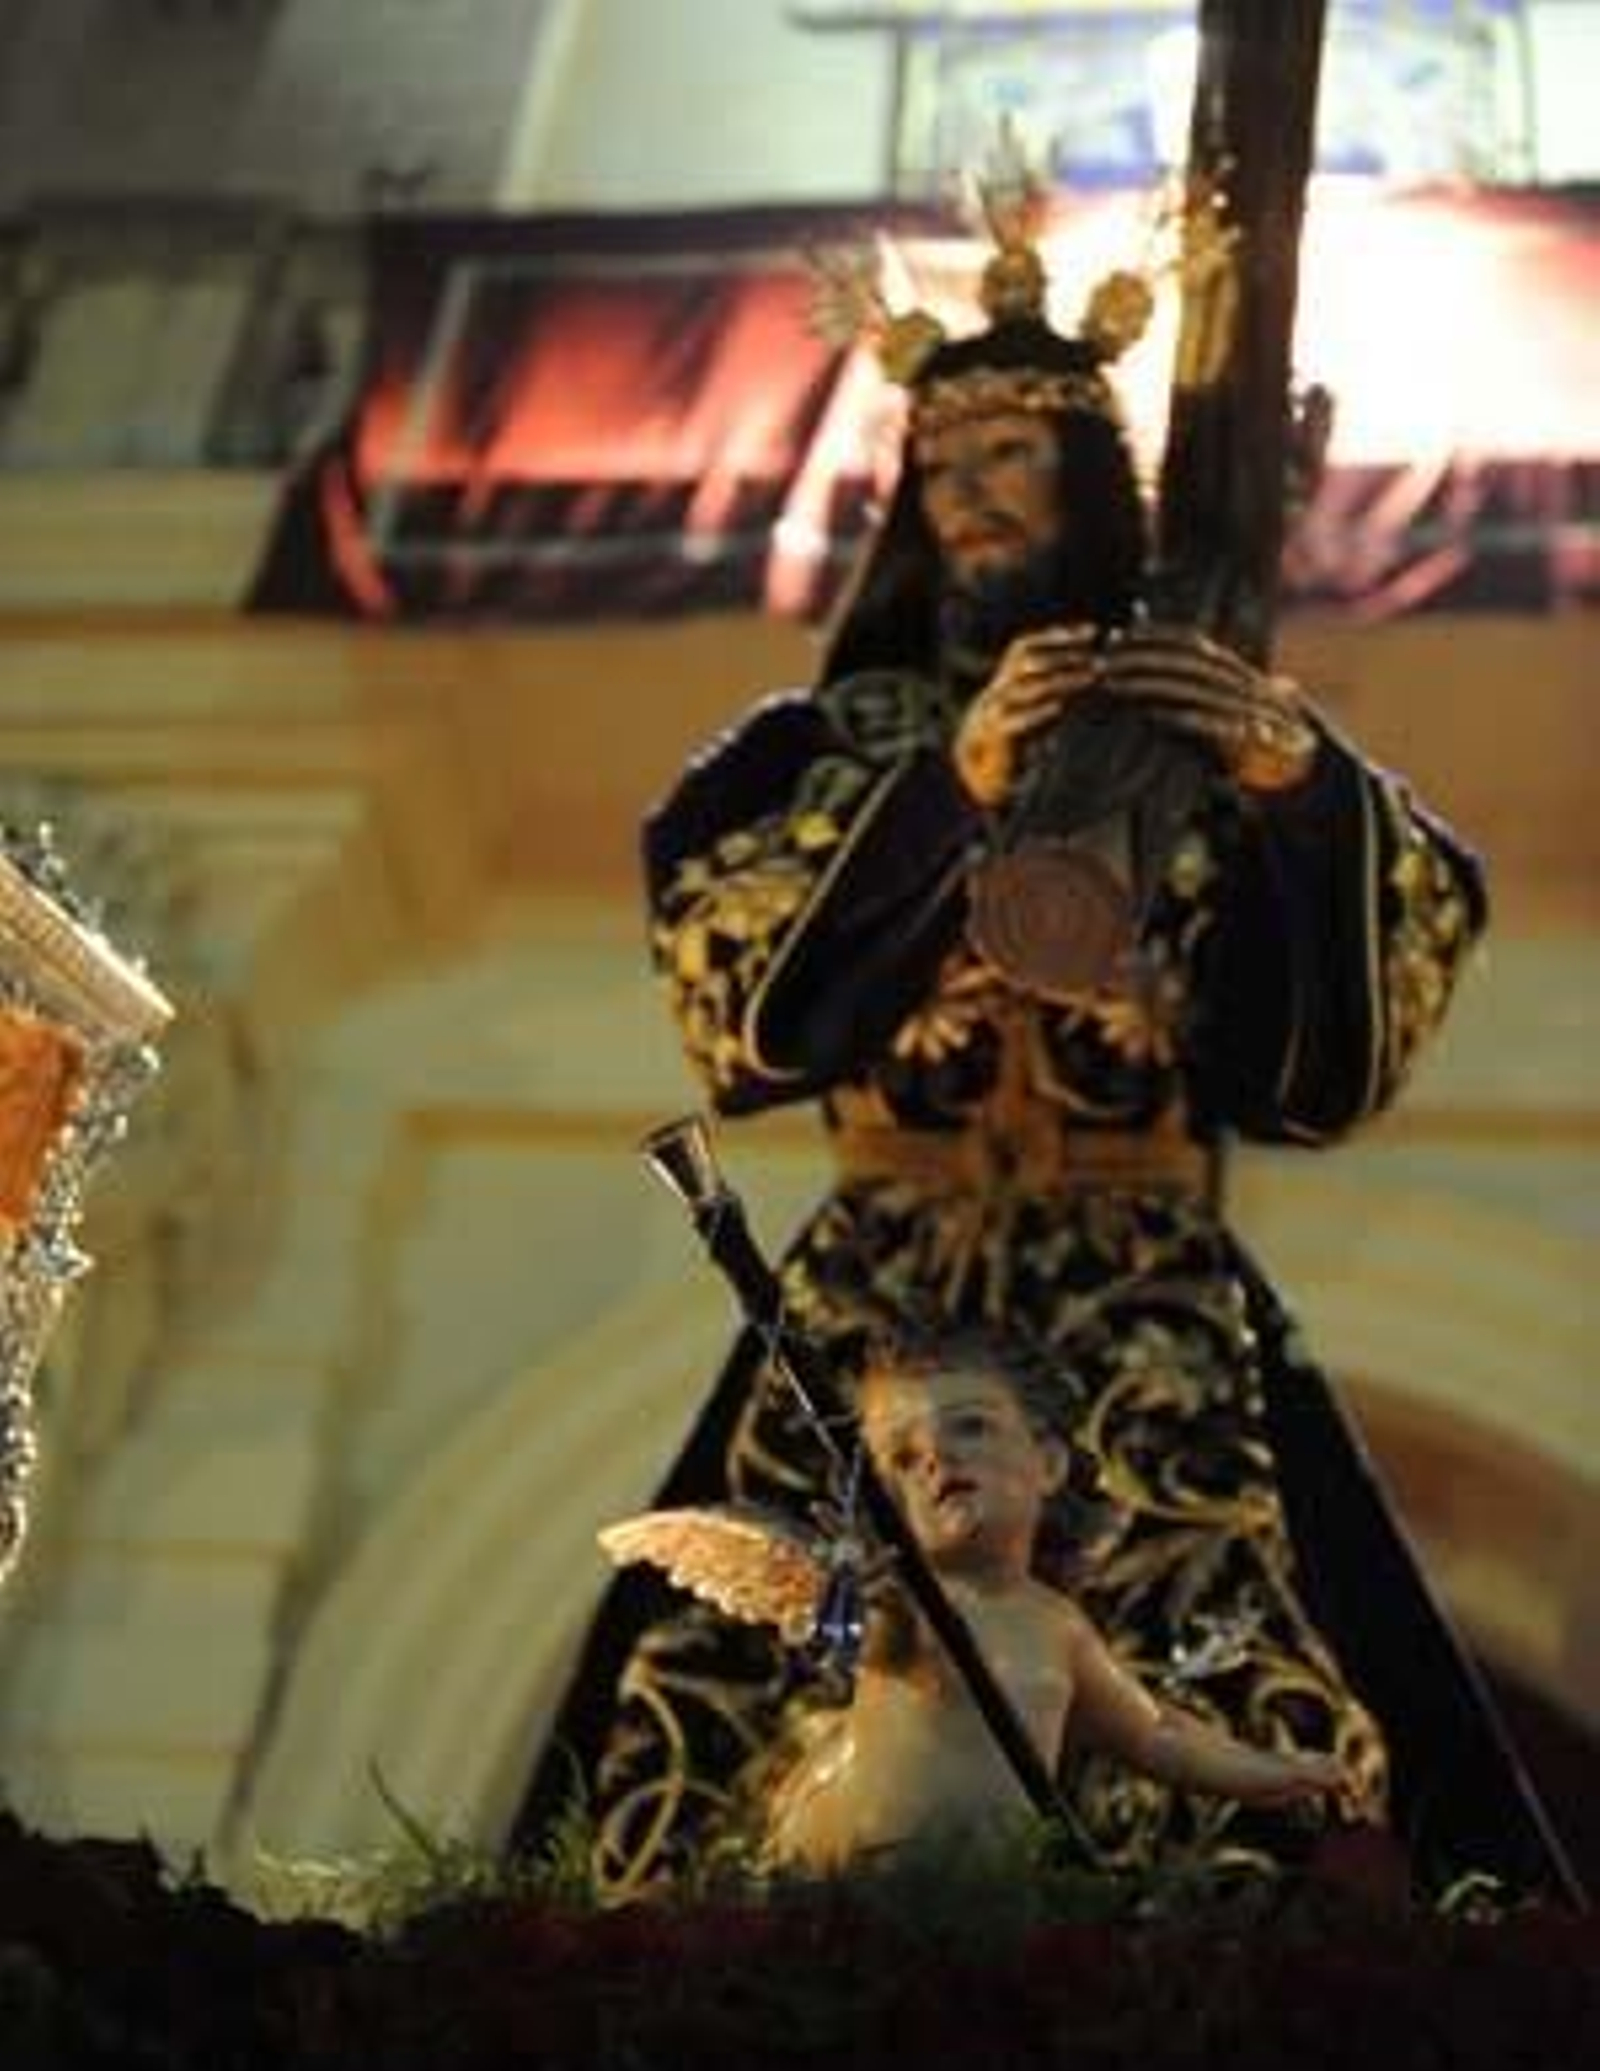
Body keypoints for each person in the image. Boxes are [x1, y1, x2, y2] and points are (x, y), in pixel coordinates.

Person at [517, 170, 1577, 1907]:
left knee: (1236, 1644)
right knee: (757, 1731)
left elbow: (1321, 1060)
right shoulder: (817, 750)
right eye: (944, 469)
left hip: (1147, 1276)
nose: (973, 494)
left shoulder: (1182, 723)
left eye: (1012, 458)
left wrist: (1302, 792)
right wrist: (957, 790)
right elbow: (739, 1000)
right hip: (889, 1268)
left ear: (1092, 485)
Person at [763, 1331, 1356, 1875]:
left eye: (969, 1427)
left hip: (987, 1888)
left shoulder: (1056, 1625)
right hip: (875, 1866)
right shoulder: (909, 1604)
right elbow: (862, 1644)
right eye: (903, 1458)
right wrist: (871, 1603)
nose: (937, 1459)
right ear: (882, 1508)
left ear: (1048, 1463)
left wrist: (1273, 1772)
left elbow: (1158, 1733)